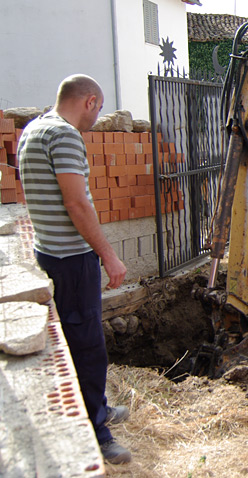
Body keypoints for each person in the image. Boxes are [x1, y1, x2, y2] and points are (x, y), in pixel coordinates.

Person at [17, 74, 132, 465]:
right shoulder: (65, 136)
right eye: (98, 109)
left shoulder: (32, 130)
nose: (97, 118)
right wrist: (108, 256)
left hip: (48, 255)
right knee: (87, 346)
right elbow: (76, 203)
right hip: (72, 259)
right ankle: (97, 432)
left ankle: (95, 405)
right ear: (89, 101)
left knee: (74, 340)